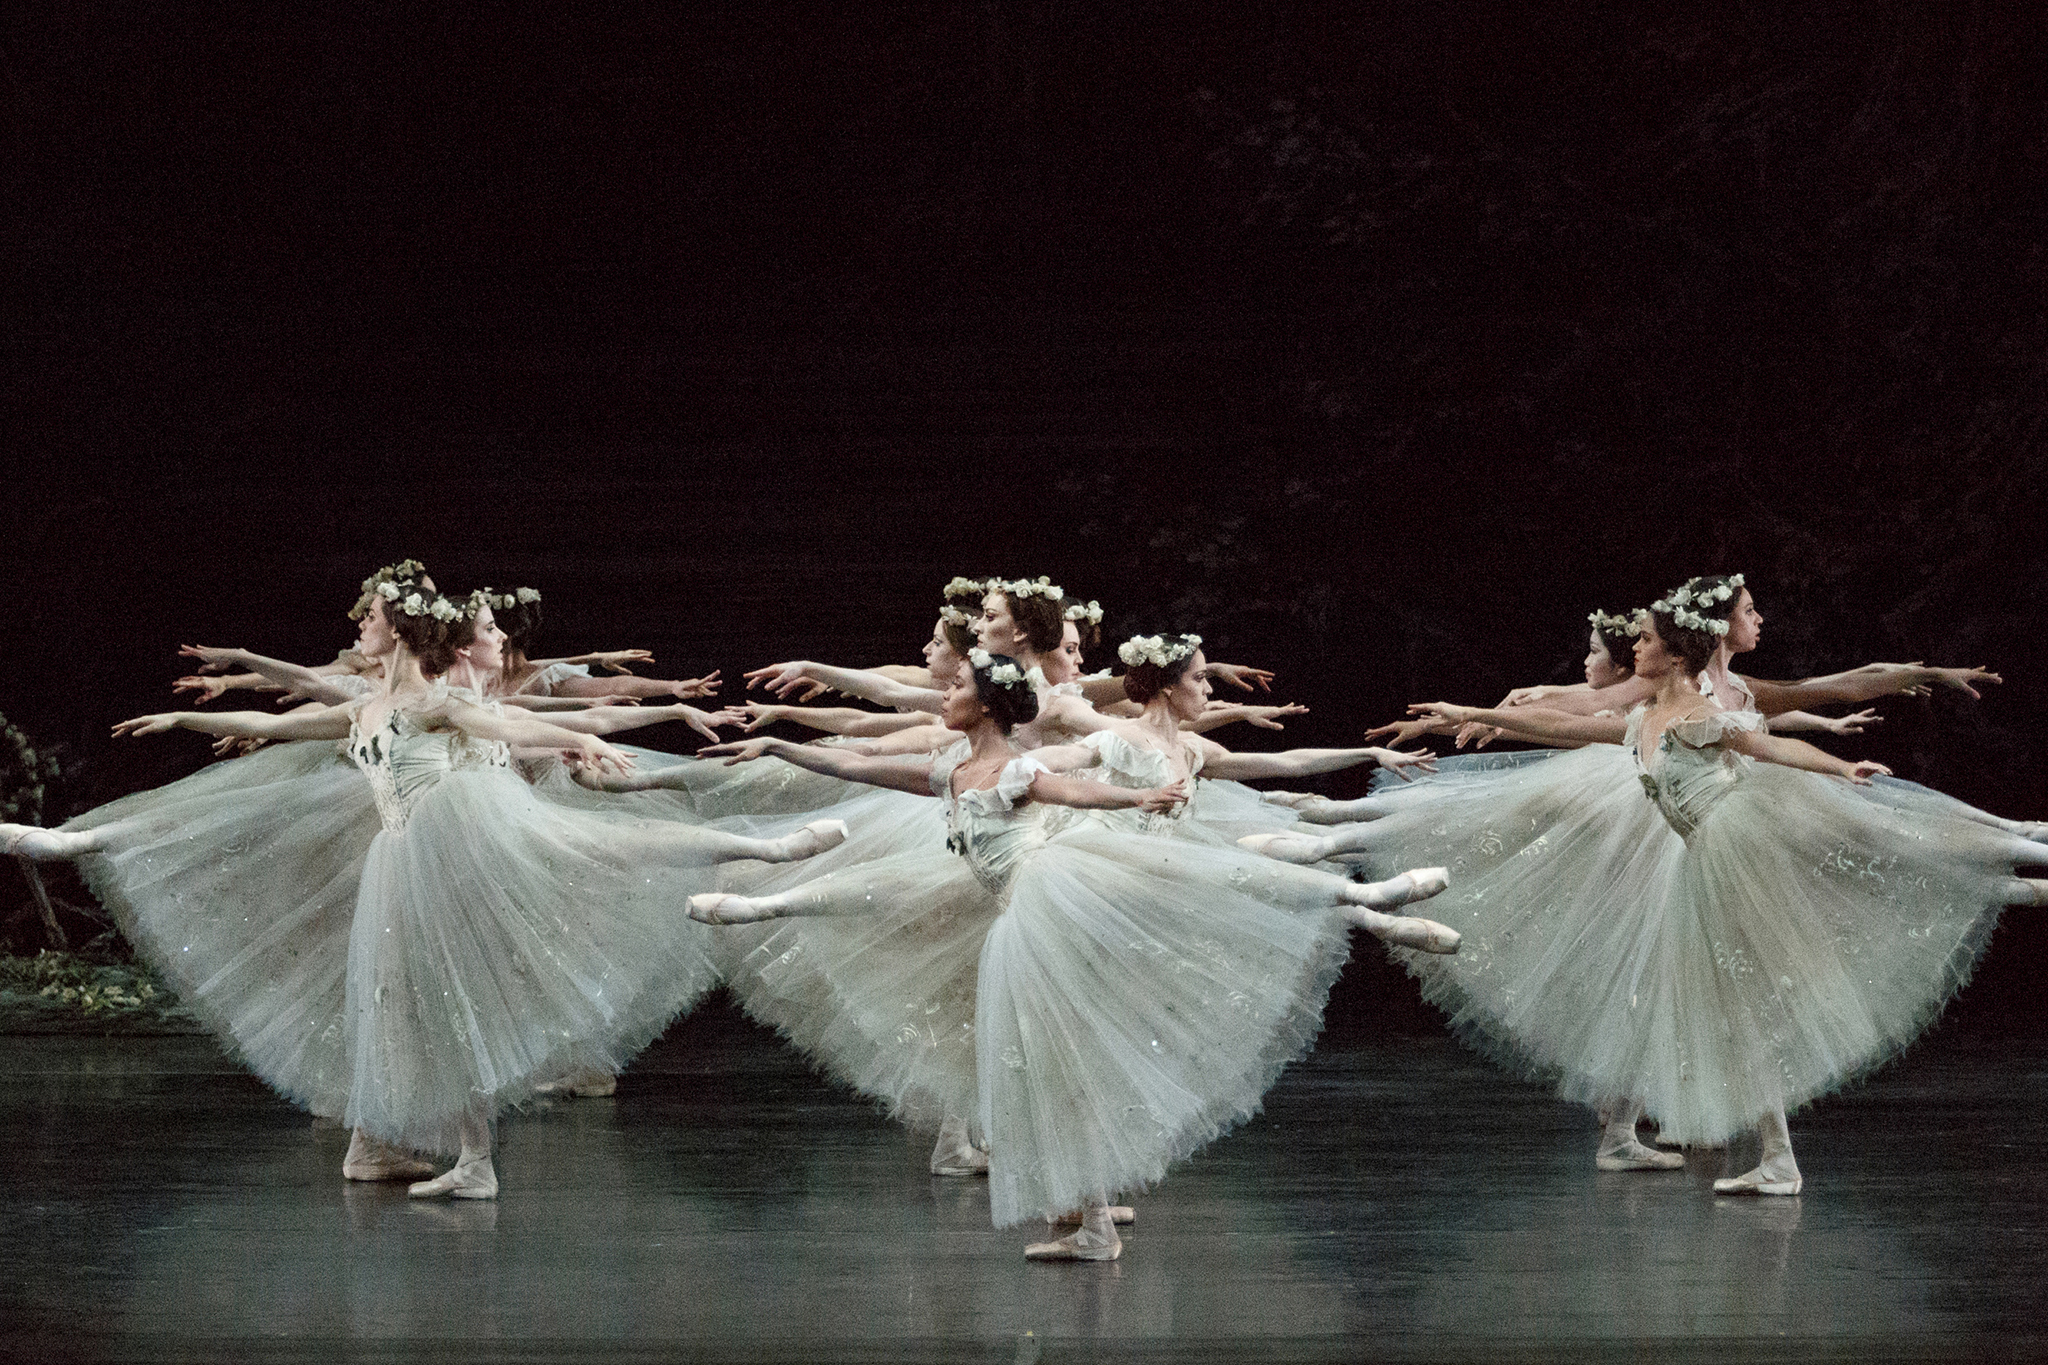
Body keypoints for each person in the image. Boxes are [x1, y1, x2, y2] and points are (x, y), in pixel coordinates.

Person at [686, 652, 1453, 1259]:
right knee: (1036, 1048)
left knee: (1209, 890)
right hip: (1008, 906)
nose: (943, 694)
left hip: (1052, 899)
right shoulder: (950, 770)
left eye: (957, 689)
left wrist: (1134, 797)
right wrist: (778, 743)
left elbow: (1073, 789)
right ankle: (1085, 1213)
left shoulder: (1019, 769)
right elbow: (853, 765)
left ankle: (1363, 900)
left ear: (987, 706)